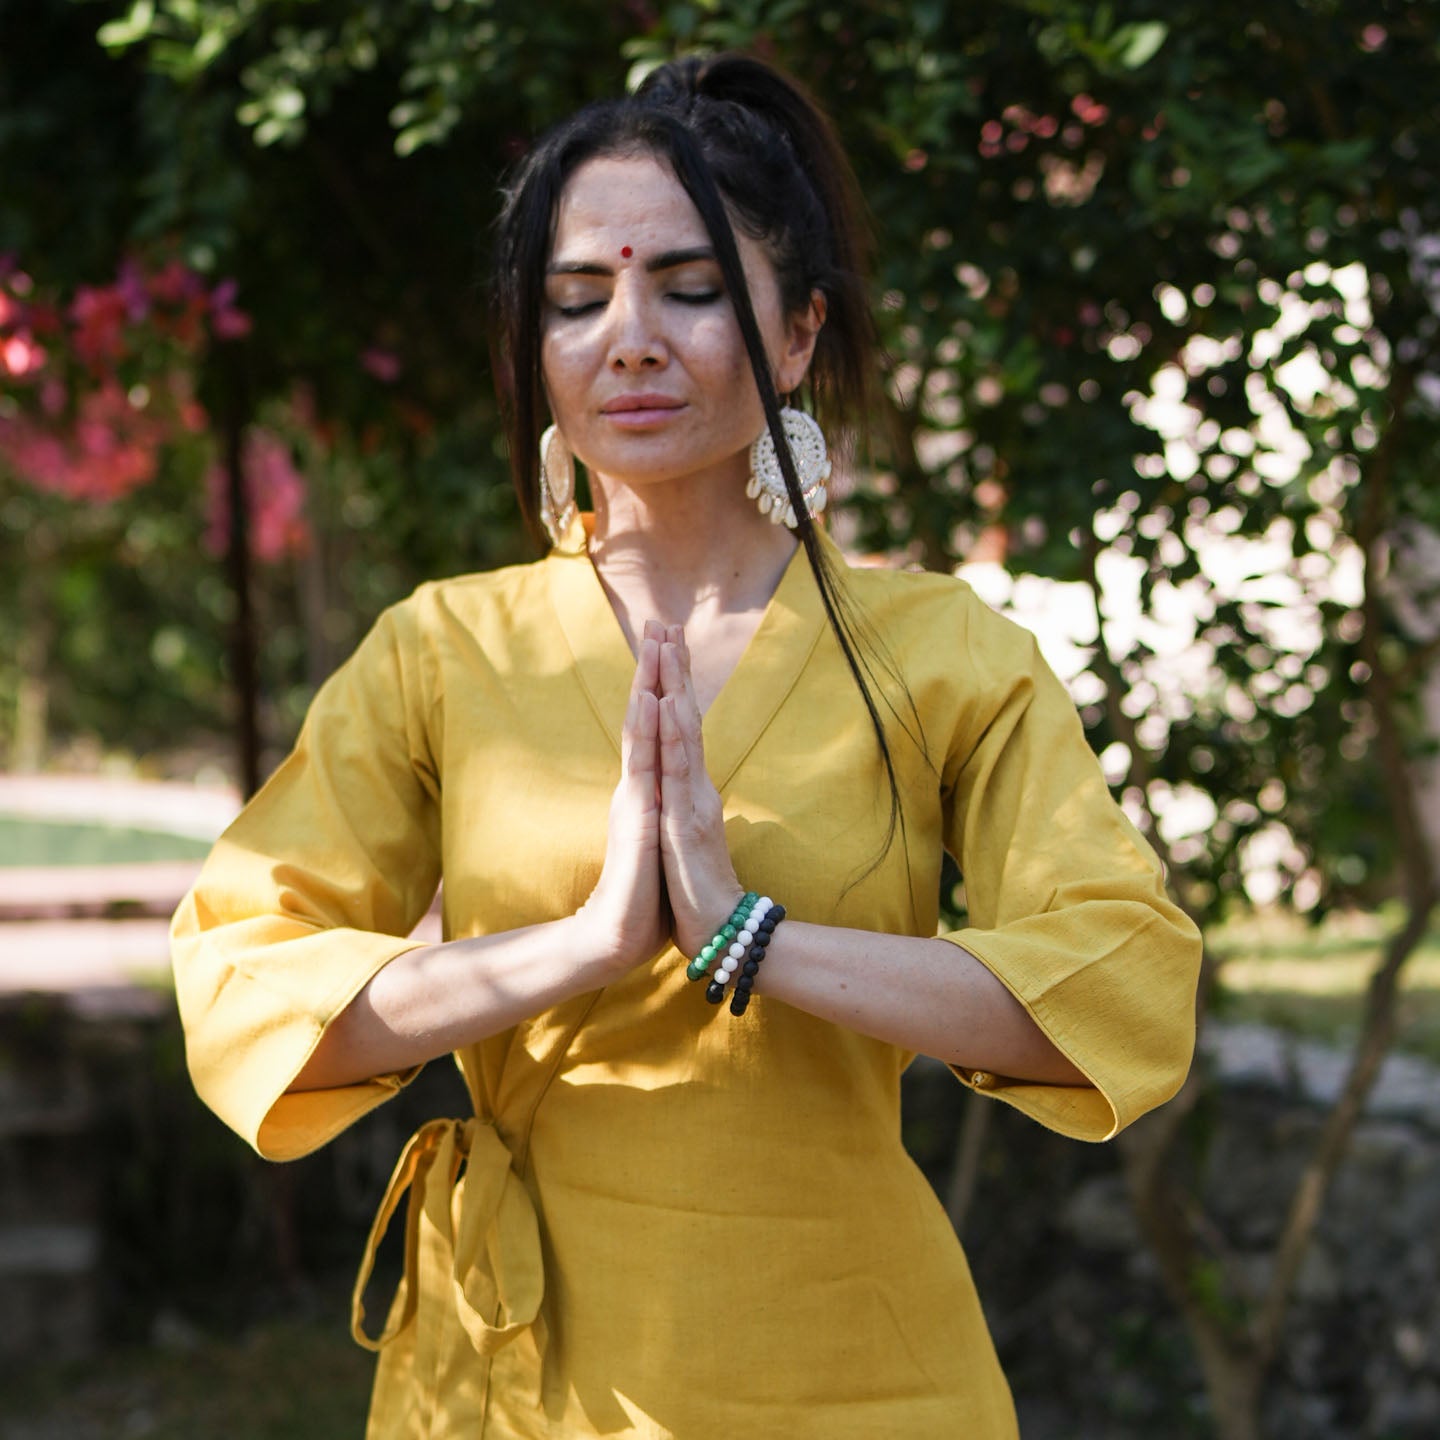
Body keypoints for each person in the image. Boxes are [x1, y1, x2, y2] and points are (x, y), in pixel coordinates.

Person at [171, 52, 1201, 1440]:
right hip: (523, 1381)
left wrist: (746, 936)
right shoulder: (443, 652)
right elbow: (241, 986)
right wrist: (585, 945)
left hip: (861, 1374)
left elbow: (1125, 985)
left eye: (692, 288)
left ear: (798, 334)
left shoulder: (943, 655)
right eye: (576, 301)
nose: (630, 339)